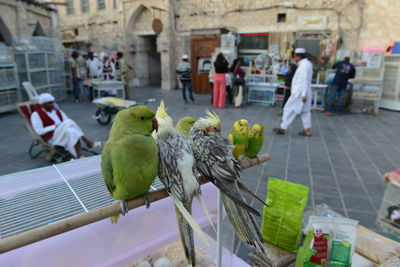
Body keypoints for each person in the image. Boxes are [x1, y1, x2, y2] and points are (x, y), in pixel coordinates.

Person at [31, 93, 102, 159]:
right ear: (43, 104)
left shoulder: (57, 111)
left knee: (71, 131)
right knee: (68, 122)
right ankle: (88, 142)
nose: (52, 104)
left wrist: (61, 126)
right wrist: (55, 126)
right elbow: (39, 131)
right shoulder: (36, 115)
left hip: (64, 133)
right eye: (49, 103)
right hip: (52, 137)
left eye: (53, 102)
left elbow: (70, 124)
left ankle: (79, 155)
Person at [273, 48, 313, 136]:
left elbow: (304, 80)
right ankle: (307, 130)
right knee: (305, 111)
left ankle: (283, 128)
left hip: (300, 93)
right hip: (304, 92)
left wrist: (303, 95)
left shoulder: (304, 66)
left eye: (295, 56)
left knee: (289, 109)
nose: (294, 58)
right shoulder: (307, 64)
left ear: (298, 56)